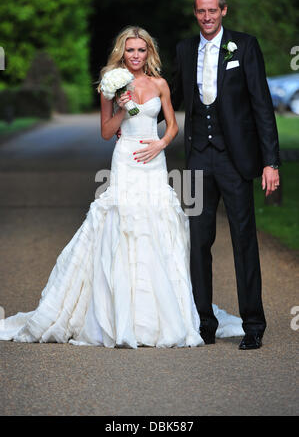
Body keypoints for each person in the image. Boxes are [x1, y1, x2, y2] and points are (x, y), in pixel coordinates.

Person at [0, 26, 244, 348]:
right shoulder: (111, 85)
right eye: (130, 50)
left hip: (153, 160)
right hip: (126, 158)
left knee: (157, 223)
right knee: (123, 225)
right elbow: (106, 132)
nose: (135, 56)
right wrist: (119, 106)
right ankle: (119, 312)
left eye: (141, 50)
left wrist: (161, 145)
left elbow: (172, 125)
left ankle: (163, 311)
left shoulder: (159, 84)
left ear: (149, 53)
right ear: (122, 52)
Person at [164, 0, 280, 350]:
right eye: (201, 11)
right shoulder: (185, 49)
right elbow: (170, 97)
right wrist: (132, 108)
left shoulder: (244, 46)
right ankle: (204, 323)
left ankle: (254, 324)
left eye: (213, 10)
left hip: (235, 160)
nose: (207, 17)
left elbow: (262, 105)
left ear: (224, 11)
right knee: (198, 242)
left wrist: (270, 161)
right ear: (195, 13)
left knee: (244, 240)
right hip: (198, 160)